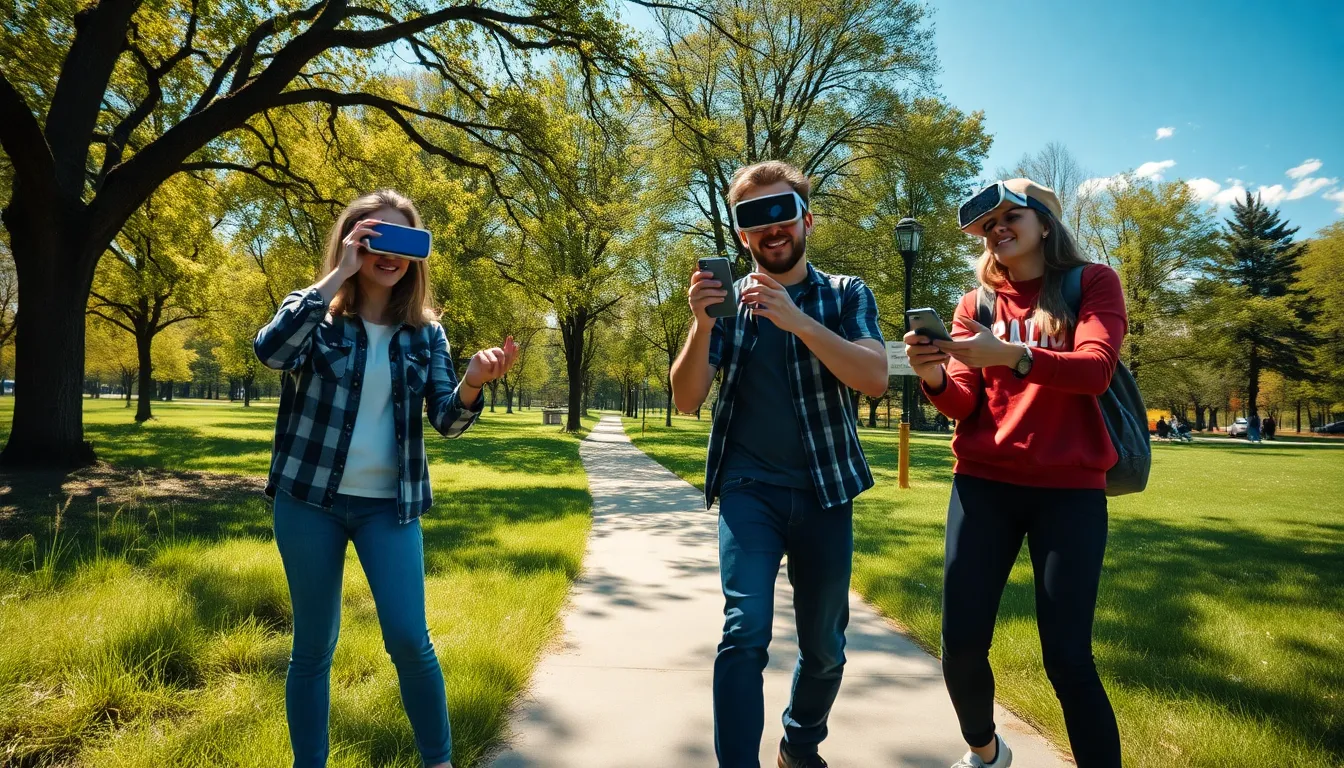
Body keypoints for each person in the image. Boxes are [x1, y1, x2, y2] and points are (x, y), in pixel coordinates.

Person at [254, 189, 519, 768]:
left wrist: (472, 381)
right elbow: (270, 353)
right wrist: (336, 276)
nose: (389, 252)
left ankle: (438, 761)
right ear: (352, 242)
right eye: (376, 237)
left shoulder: (426, 334)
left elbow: (447, 420)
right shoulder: (315, 315)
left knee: (408, 639)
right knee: (313, 648)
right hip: (309, 501)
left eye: (404, 240)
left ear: (416, 256)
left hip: (389, 509)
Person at [670, 161, 888, 768]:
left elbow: (873, 378)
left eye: (781, 212)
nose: (770, 227)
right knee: (744, 633)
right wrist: (700, 321)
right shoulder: (727, 306)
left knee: (825, 651)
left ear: (806, 220)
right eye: (752, 217)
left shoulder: (846, 294)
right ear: (741, 234)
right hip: (749, 492)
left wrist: (796, 318)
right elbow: (686, 399)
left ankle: (799, 743)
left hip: (825, 492)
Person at [904, 179, 1126, 768]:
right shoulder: (975, 304)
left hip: (1069, 492)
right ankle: (986, 751)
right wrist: (932, 376)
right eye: (989, 222)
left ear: (1046, 224)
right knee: (962, 648)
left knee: (1068, 659)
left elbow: (1095, 370)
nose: (998, 228)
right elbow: (963, 404)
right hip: (983, 487)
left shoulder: (1092, 283)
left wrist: (1012, 355)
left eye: (1012, 216)